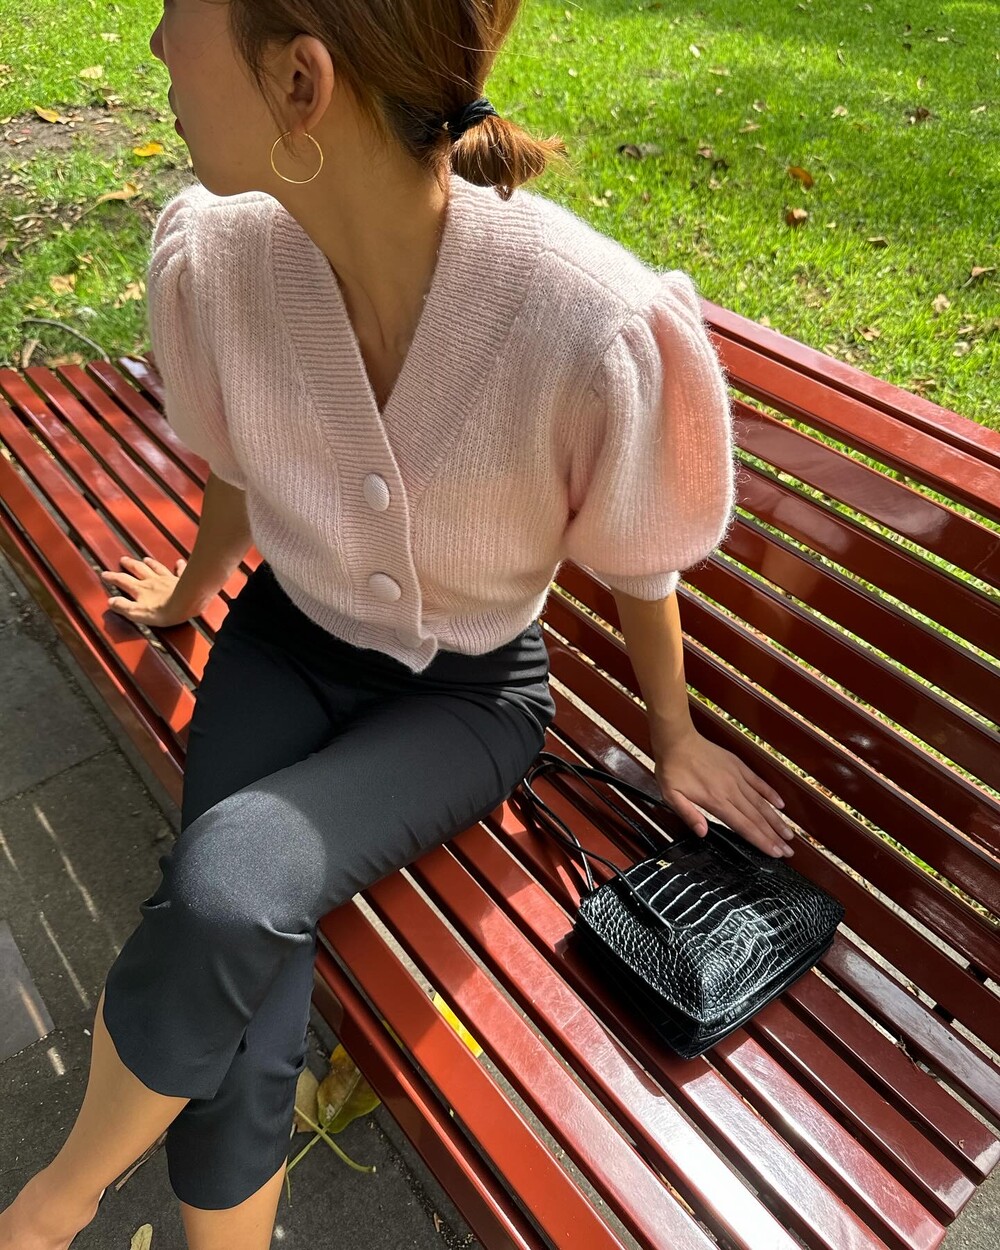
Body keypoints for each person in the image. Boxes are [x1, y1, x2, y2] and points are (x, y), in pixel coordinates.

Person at [0, 1, 794, 1246]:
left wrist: (674, 733)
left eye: (175, 10)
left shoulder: (580, 319)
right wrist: (195, 592)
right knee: (242, 970)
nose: (154, 44)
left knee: (227, 883)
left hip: (465, 699)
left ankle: (50, 1206)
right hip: (282, 641)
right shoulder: (221, 258)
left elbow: (641, 561)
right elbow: (243, 465)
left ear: (301, 81)